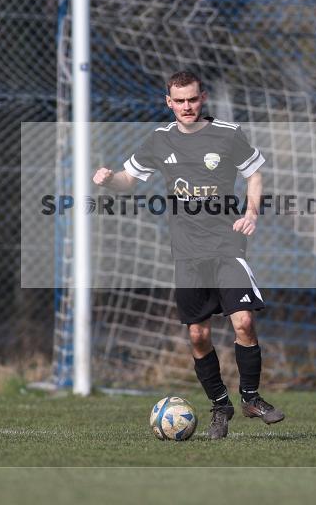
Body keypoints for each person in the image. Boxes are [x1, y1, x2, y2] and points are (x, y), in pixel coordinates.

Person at [92, 70, 284, 439]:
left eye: (192, 99)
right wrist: (107, 180)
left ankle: (250, 397)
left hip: (228, 246)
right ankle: (220, 405)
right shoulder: (159, 140)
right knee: (198, 335)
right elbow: (127, 181)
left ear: (203, 97)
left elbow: (255, 173)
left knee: (243, 322)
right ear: (168, 102)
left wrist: (251, 212)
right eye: (179, 101)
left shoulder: (228, 134)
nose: (186, 107)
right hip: (187, 252)